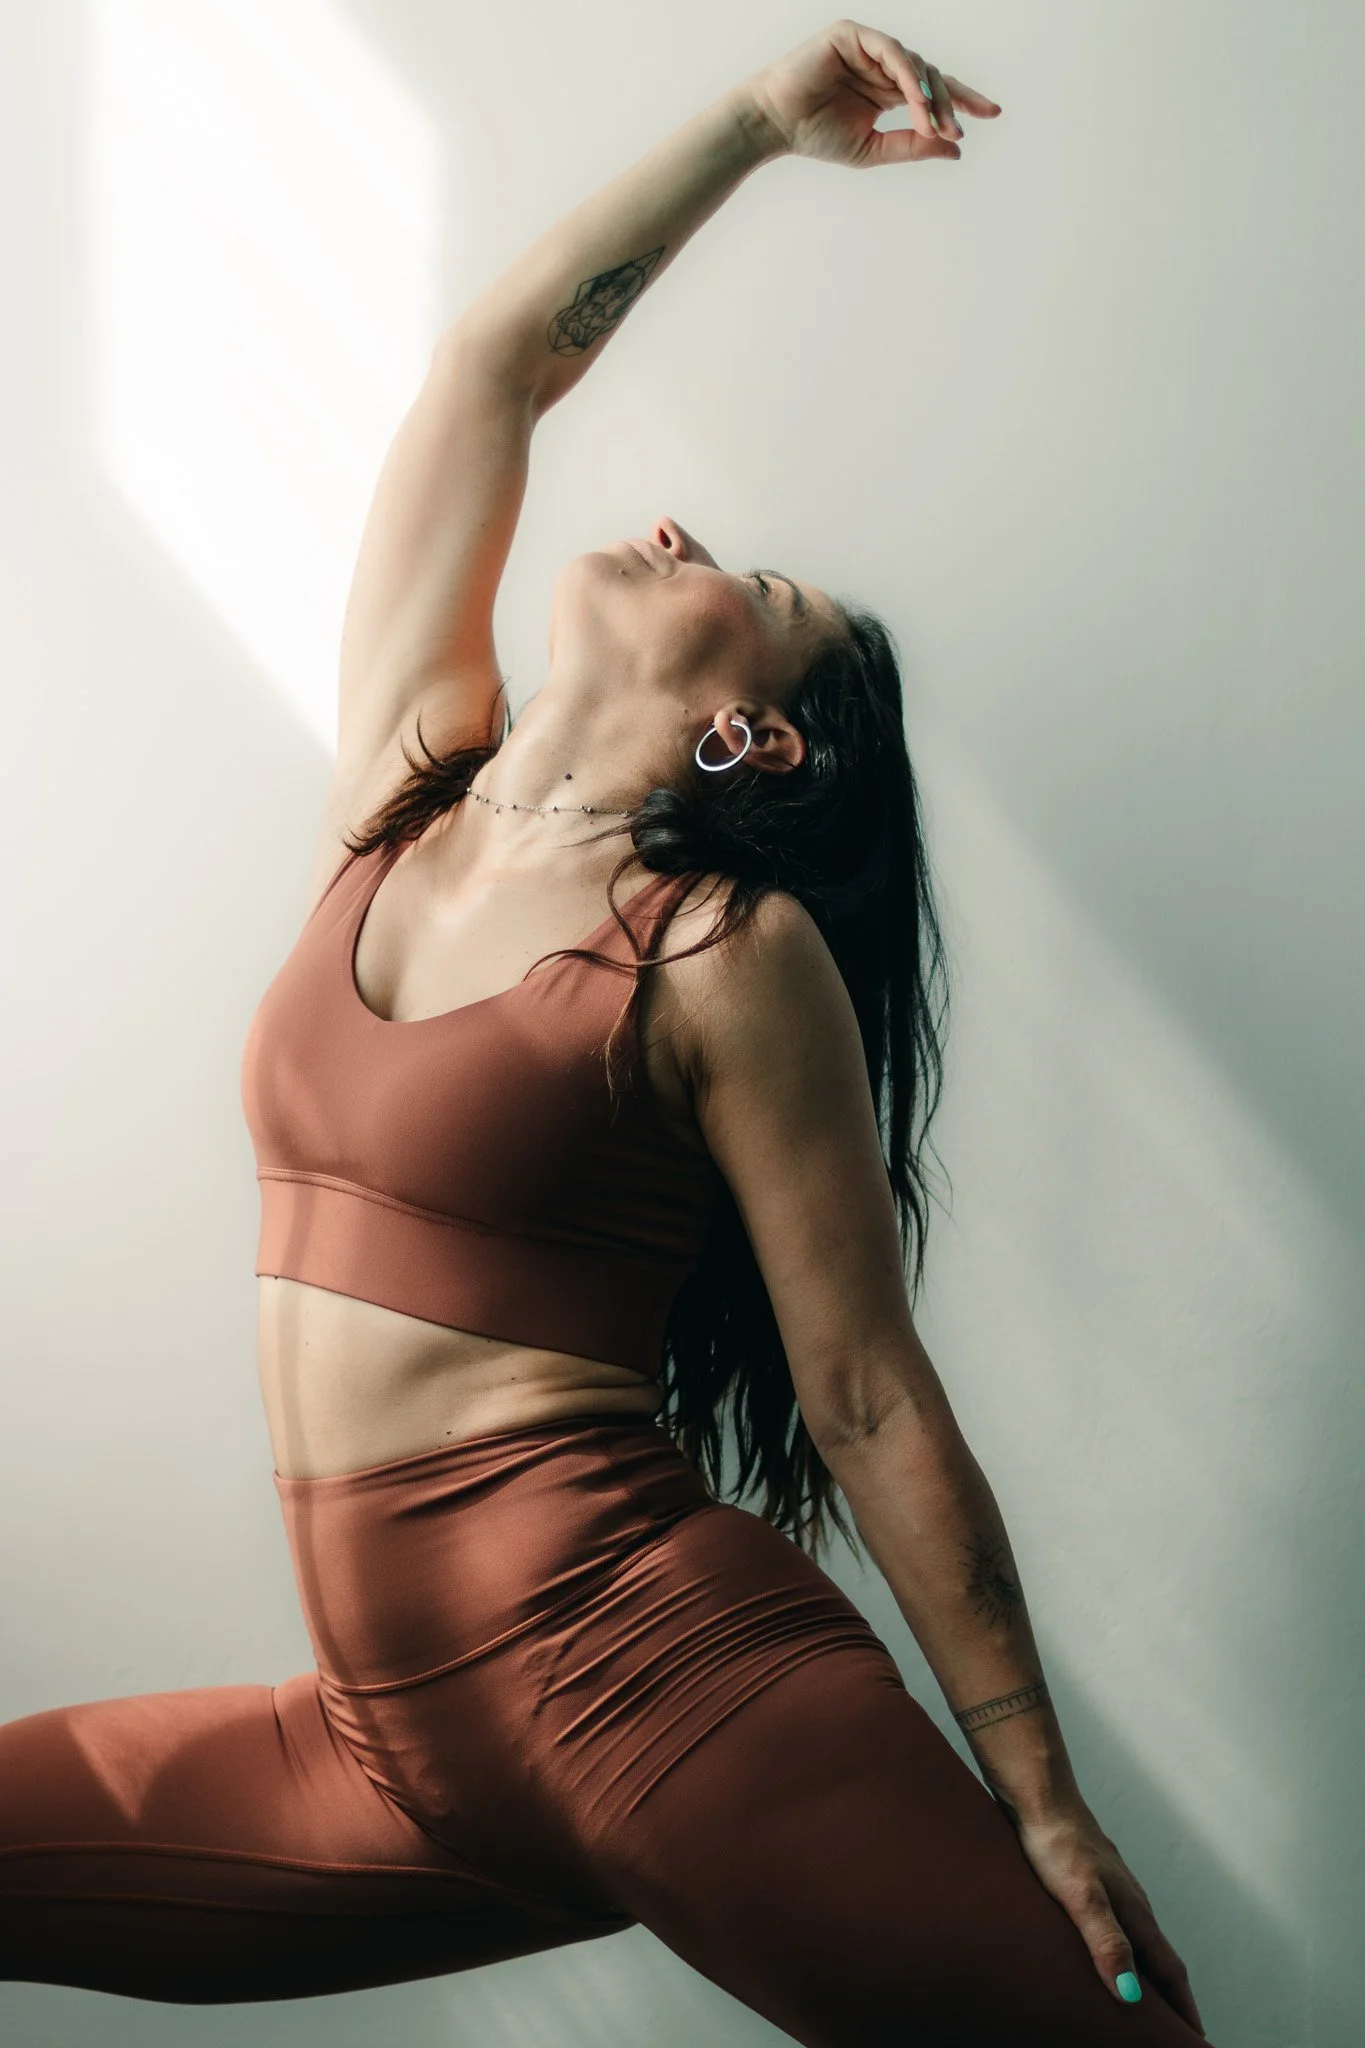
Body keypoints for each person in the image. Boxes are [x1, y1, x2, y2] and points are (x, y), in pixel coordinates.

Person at [0, 22, 1213, 2045]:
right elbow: (492, 370)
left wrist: (1045, 1799)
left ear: (754, 733)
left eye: (754, 579)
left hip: (653, 1679)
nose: (675, 530)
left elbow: (867, 1394)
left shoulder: (717, 956)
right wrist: (750, 126)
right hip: (392, 1749)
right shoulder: (401, 797)